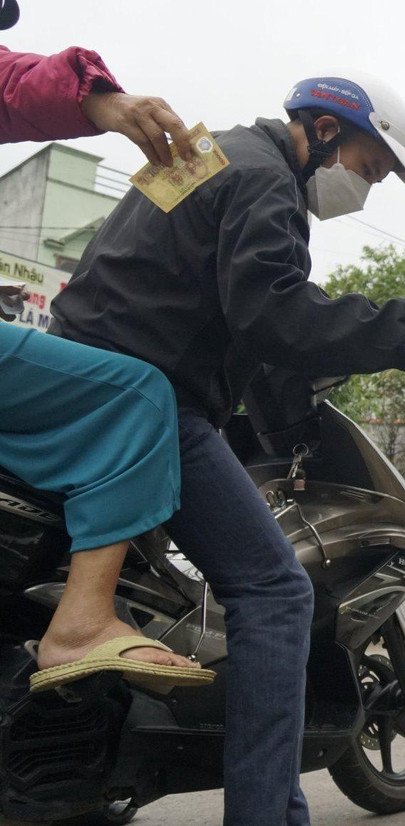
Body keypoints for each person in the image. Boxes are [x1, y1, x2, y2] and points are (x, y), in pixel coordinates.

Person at [49, 74, 405, 826]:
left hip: (84, 371)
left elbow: (209, 309)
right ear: (323, 132)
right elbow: (278, 316)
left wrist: (280, 423)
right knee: (276, 592)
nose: (368, 186)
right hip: (144, 399)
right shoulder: (267, 182)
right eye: (369, 167)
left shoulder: (205, 153)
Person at [0, 18, 213, 689]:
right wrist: (105, 102)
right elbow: (14, 83)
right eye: (371, 166)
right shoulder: (249, 171)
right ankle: (82, 624)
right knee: (136, 393)